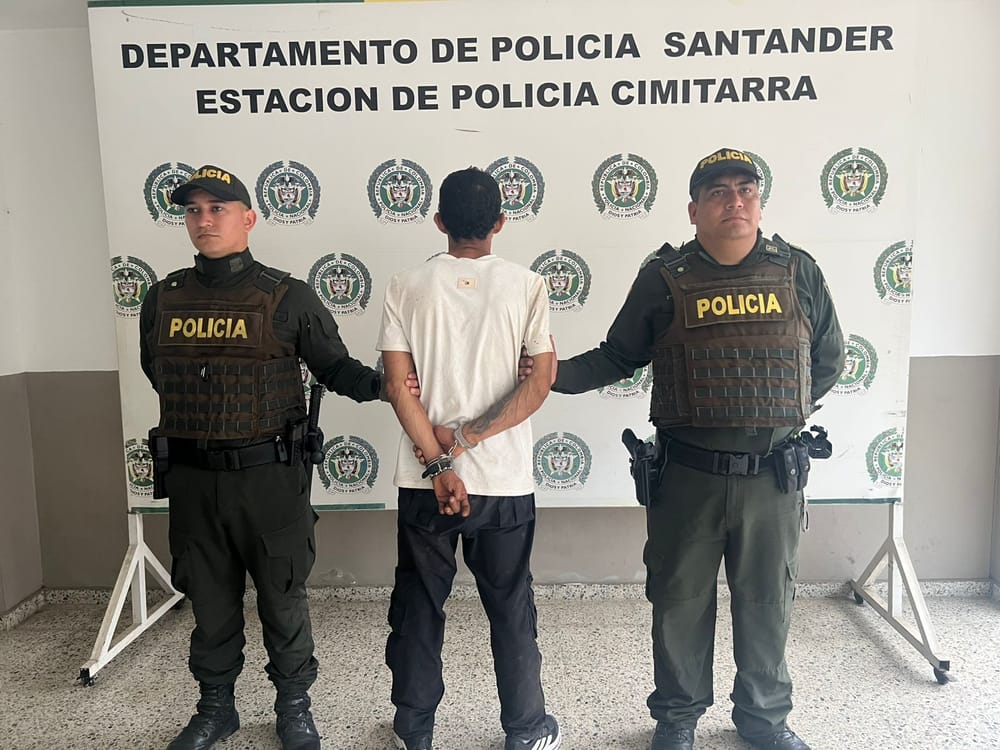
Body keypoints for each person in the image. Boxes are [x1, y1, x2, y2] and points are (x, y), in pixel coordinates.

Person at [546, 148, 845, 750]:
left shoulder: (799, 272)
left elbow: (828, 359)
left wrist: (774, 417)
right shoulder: (665, 277)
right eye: (717, 192)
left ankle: (764, 720)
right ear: (693, 209)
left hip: (772, 479)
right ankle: (678, 718)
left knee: (767, 602)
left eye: (745, 189)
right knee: (679, 601)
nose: (733, 201)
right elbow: (618, 355)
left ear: (759, 203)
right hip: (688, 476)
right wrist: (544, 374)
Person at [139, 164, 418, 750]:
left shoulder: (288, 296)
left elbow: (335, 368)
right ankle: (216, 708)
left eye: (218, 209)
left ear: (249, 218)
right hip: (193, 478)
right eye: (193, 210)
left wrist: (388, 385)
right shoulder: (161, 298)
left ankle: (295, 706)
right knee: (209, 601)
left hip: (268, 478)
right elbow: (156, 371)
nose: (204, 220)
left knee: (282, 598)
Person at [377, 167, 561, 750]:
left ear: (438, 222)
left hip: (424, 483)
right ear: (501, 223)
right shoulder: (528, 285)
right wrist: (467, 443)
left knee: (419, 603)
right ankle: (526, 730)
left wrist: (438, 463)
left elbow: (397, 386)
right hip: (503, 482)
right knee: (510, 607)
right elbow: (539, 383)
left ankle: (414, 728)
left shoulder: (405, 284)